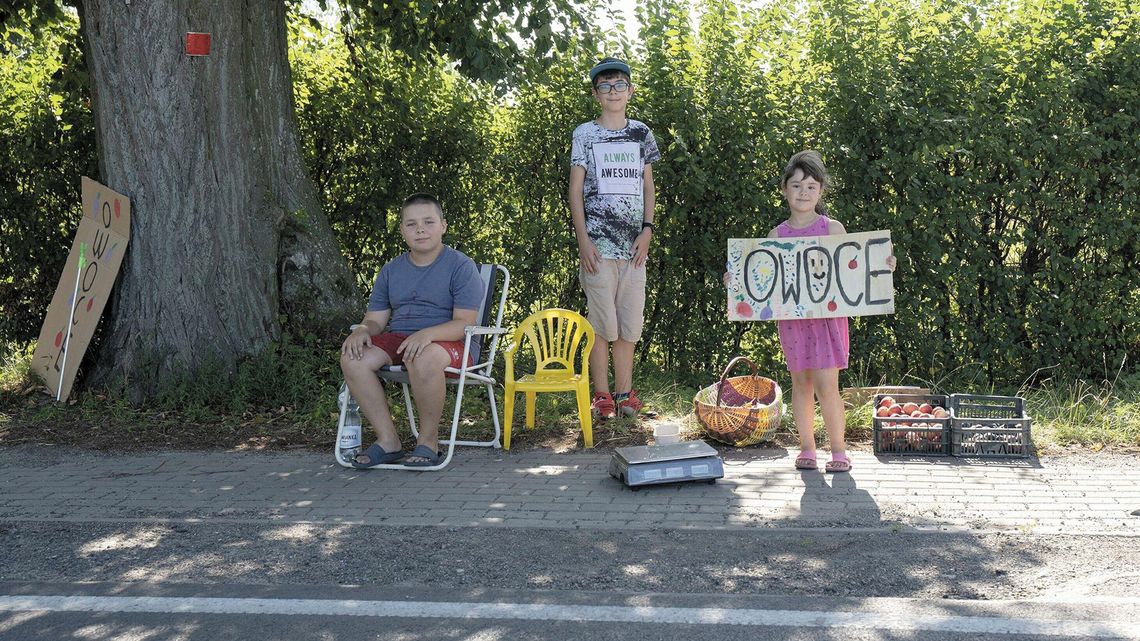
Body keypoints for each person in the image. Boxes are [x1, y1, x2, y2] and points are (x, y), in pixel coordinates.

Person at [727, 151, 896, 472]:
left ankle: (839, 451)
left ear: (821, 191)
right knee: (801, 384)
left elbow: (855, 270)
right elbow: (760, 277)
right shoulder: (776, 237)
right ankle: (806, 448)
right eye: (796, 185)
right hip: (793, 324)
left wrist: (883, 265)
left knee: (826, 385)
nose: (803, 192)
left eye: (810, 186)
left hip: (828, 321)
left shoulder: (833, 229)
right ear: (784, 189)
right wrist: (736, 278)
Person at [340, 193, 484, 468]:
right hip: (401, 339)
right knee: (353, 357)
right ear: (402, 230)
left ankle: (428, 441)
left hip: (450, 342)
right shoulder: (391, 270)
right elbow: (376, 321)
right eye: (411, 224)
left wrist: (427, 334)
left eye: (428, 222)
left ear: (443, 225)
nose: (420, 229)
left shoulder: (460, 266)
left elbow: (464, 323)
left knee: (423, 355)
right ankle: (388, 441)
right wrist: (361, 330)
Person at [569, 57, 661, 421]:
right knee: (601, 325)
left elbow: (649, 187)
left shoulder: (641, 133)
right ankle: (602, 395)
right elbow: (575, 191)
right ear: (596, 93)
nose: (612, 91)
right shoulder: (585, 134)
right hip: (598, 249)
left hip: (633, 250)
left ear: (630, 90)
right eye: (605, 86)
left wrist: (648, 230)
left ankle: (625, 395)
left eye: (619, 85)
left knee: (628, 326)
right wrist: (584, 240)